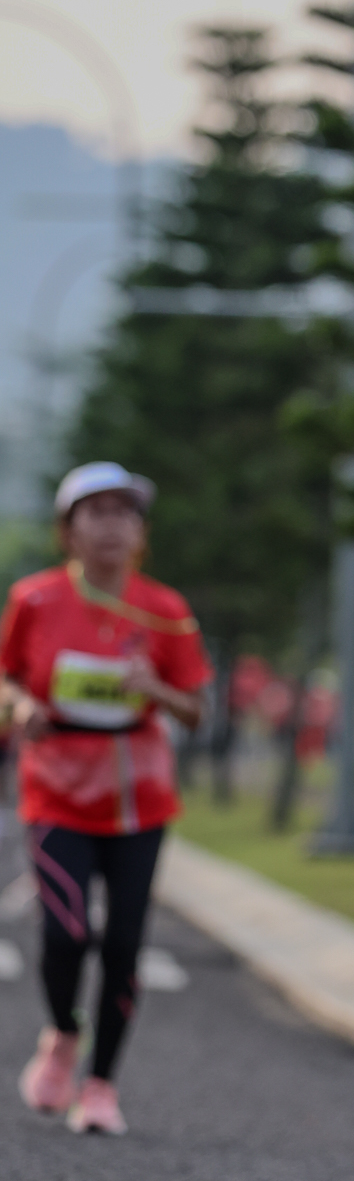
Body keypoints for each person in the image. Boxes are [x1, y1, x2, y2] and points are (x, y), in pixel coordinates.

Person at [4, 463, 210, 1135]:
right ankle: (64, 1035)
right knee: (66, 934)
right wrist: (20, 705)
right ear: (68, 530)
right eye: (96, 512)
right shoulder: (34, 599)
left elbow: (196, 710)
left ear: (141, 532)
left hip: (138, 797)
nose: (112, 525)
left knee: (124, 943)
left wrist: (155, 690)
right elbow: (5, 677)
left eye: (125, 513)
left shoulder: (166, 610)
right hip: (56, 791)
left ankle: (100, 1087)